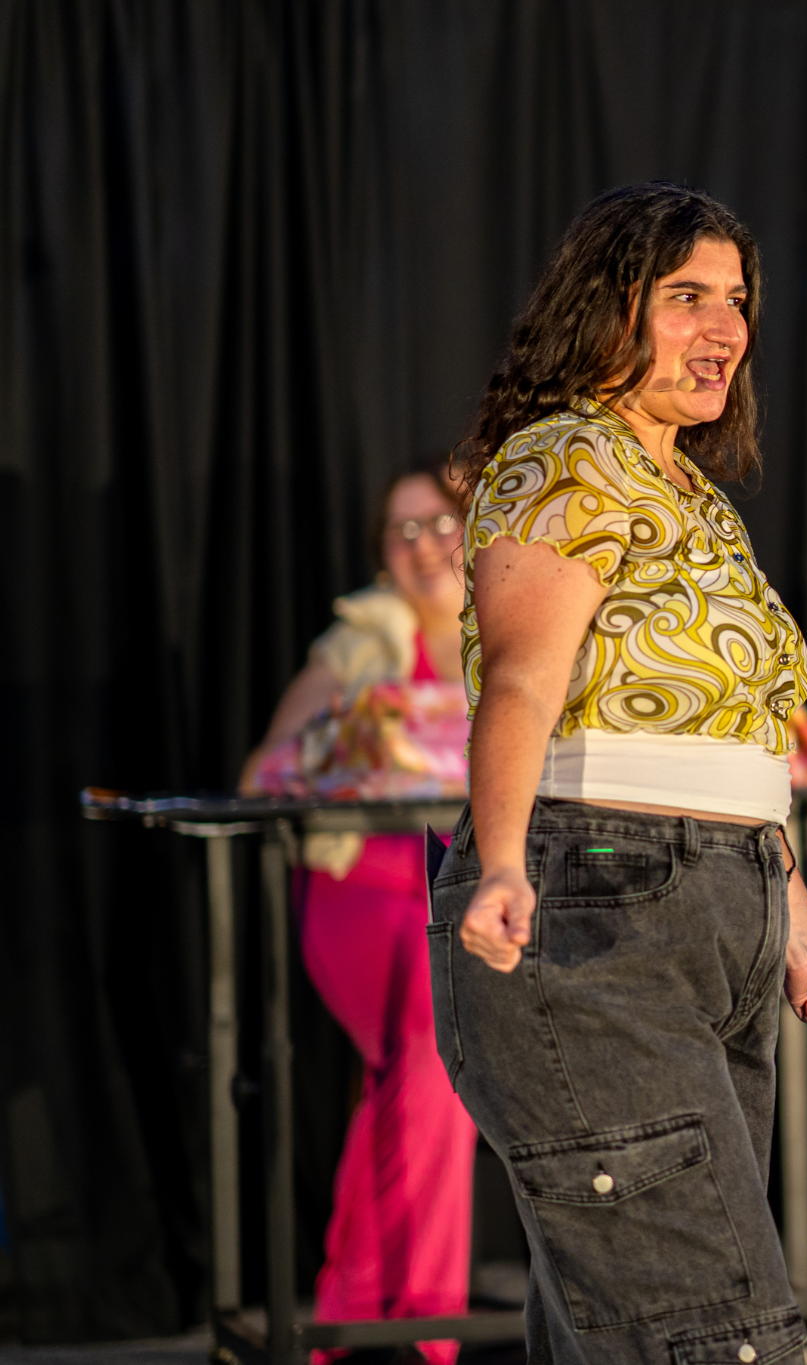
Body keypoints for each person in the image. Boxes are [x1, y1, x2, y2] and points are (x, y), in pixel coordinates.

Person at [430, 181, 807, 1365]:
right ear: (607, 310)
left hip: (715, 915)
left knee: (626, 1336)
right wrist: (505, 860)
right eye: (687, 298)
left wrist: (801, 923)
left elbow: (733, 745)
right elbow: (520, 683)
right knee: (717, 1336)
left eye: (735, 301)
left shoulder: (697, 497)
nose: (724, 327)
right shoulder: (564, 458)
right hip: (592, 906)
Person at [242, 459, 477, 1365]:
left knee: (408, 1087)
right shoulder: (361, 642)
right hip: (361, 898)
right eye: (401, 529)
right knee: (434, 1065)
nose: (422, 545)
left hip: (462, 897)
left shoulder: (510, 630)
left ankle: (342, 1314)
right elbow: (265, 767)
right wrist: (351, 734)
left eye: (438, 523)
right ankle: (428, 1334)